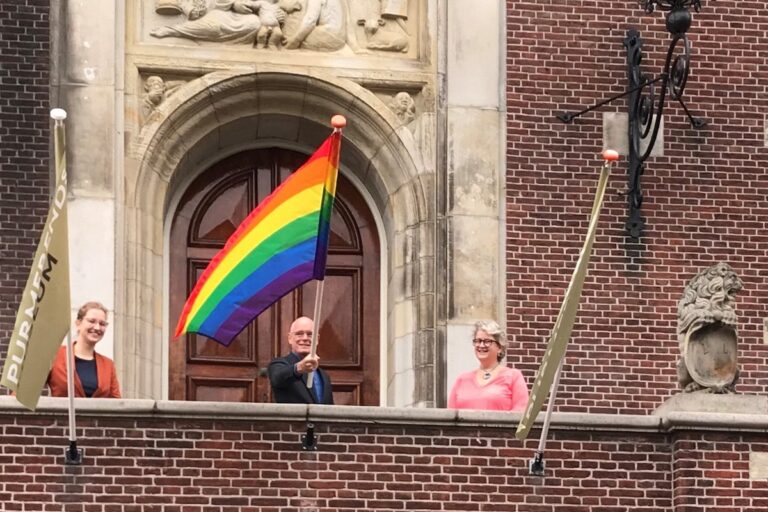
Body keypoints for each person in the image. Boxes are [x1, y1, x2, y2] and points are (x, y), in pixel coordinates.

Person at [447, 320, 528, 411]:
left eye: (487, 341)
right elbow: (450, 417)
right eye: (478, 341)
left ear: (500, 348)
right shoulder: (462, 379)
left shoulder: (514, 376)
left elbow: (521, 413)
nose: (481, 345)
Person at [47, 301, 121, 398]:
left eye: (102, 323)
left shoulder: (108, 365)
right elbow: (33, 387)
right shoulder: (56, 355)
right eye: (91, 321)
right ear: (78, 323)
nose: (97, 327)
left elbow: (116, 403)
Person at [268, 316, 334, 404]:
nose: (305, 338)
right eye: (299, 334)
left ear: (317, 340)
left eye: (310, 334)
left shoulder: (323, 376)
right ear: (290, 338)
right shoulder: (278, 364)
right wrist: (299, 368)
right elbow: (277, 378)